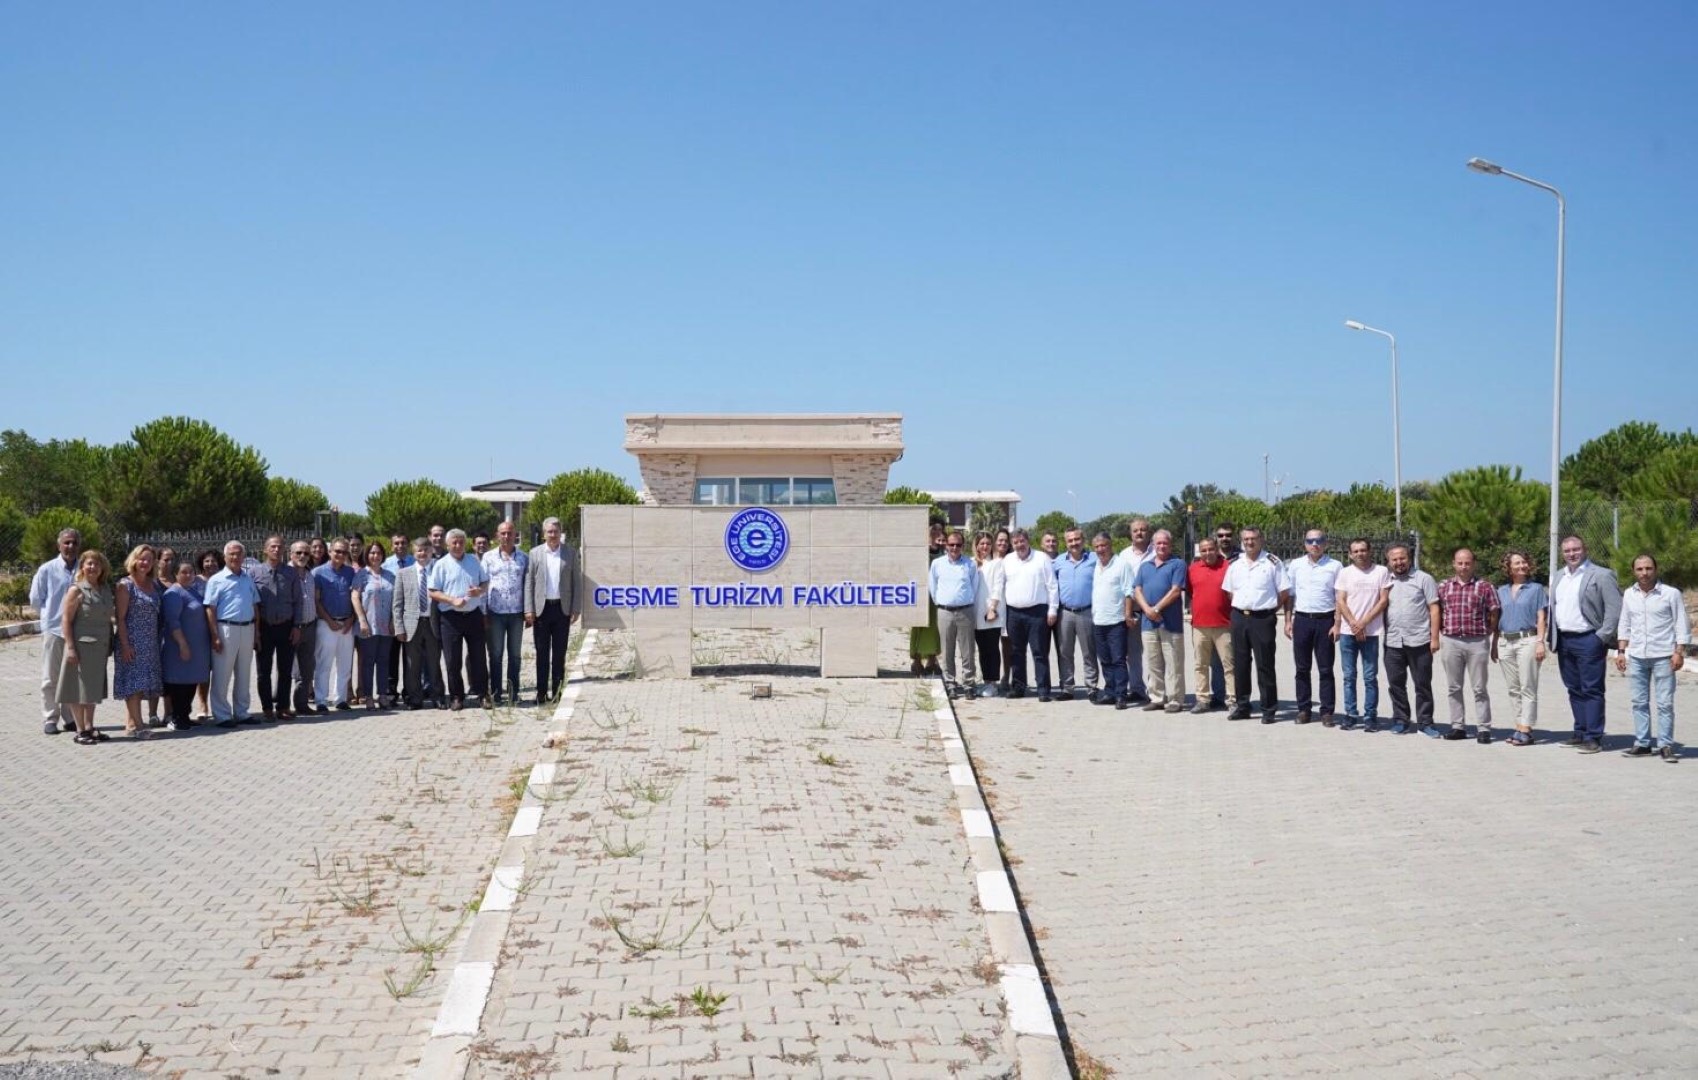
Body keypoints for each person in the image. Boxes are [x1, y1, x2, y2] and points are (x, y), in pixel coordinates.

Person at [1551, 536, 1623, 754]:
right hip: (1565, 640)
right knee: (1574, 688)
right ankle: (1580, 732)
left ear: (1585, 549)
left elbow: (1614, 609)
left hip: (1589, 639)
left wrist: (1601, 637)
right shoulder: (1559, 576)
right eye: (1567, 551)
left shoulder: (1601, 575)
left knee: (1591, 689)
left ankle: (1594, 736)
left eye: (1576, 549)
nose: (1572, 554)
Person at [1617, 553, 1690, 762]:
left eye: (1648, 568)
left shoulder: (1670, 594)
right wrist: (1621, 651)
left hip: (1664, 656)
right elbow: (1624, 622)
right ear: (1634, 571)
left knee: (1664, 703)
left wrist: (1679, 652)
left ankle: (1665, 744)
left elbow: (1680, 624)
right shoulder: (1629, 594)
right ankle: (1642, 743)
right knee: (1639, 701)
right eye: (1639, 569)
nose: (1644, 573)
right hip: (1638, 656)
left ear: (1655, 570)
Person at [1222, 527, 1288, 723]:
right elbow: (1229, 591)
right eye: (1246, 539)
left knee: (1265, 664)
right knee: (1241, 664)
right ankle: (1243, 706)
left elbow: (1283, 592)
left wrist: (1268, 610)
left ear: (1261, 539)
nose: (1250, 542)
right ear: (1241, 541)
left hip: (1263, 619)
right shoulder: (1235, 564)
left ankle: (1269, 709)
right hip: (1240, 617)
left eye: (1253, 538)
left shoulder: (1272, 562)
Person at [1435, 548, 1500, 742]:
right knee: (1454, 687)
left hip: (1476, 642)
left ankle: (1484, 728)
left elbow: (1495, 611)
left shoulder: (1485, 587)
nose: (1464, 567)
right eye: (1460, 563)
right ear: (1454, 564)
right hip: (1451, 641)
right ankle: (1458, 726)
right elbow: (1436, 610)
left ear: (1474, 564)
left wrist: (1489, 630)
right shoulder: (1444, 586)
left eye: (1467, 563)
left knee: (1479, 688)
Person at [57, 549, 115, 745]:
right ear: (82, 566)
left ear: (102, 568)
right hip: (81, 647)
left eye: (96, 564)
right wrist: (70, 647)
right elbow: (65, 620)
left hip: (100, 647)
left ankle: (90, 727)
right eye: (89, 563)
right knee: (78, 689)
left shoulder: (105, 589)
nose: (93, 567)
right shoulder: (76, 590)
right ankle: (80, 730)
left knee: (92, 690)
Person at [429, 528, 491, 710]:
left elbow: (485, 582)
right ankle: (457, 696)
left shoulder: (473, 561)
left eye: (461, 542)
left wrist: (479, 591)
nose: (457, 546)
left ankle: (483, 694)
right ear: (447, 545)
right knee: (452, 660)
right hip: (450, 618)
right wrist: (452, 600)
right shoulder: (441, 564)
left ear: (465, 543)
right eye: (454, 542)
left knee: (479, 658)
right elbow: (433, 591)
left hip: (473, 615)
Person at [1382, 543, 1441, 735]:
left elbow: (1434, 608)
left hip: (1419, 640)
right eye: (1394, 559)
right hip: (1392, 641)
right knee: (1396, 684)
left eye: (1402, 558)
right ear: (1388, 561)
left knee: (1422, 684)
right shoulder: (1385, 581)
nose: (1399, 562)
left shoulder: (1424, 579)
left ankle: (1425, 723)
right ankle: (1401, 719)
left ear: (1409, 558)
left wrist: (1434, 638)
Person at [1490, 549, 1547, 746]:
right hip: (1505, 641)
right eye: (1517, 563)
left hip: (1527, 640)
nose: (1521, 566)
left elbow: (1541, 617)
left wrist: (1540, 641)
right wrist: (1494, 644)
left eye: (1524, 562)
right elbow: (1497, 620)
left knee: (1527, 686)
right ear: (1509, 568)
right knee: (1513, 688)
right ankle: (1518, 725)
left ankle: (1527, 729)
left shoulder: (1536, 589)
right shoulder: (1501, 591)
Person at [1285, 530, 1341, 725]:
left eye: (1319, 541)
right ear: (1305, 543)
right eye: (1310, 541)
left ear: (1325, 543)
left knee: (1326, 669)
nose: (1315, 544)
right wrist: (1287, 620)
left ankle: (1327, 712)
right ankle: (1304, 709)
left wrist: (1337, 623)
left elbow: (1340, 597)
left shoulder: (1335, 566)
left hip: (1325, 621)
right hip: (1302, 620)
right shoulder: (1296, 565)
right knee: (1302, 668)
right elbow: (1290, 595)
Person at [1334, 539, 1391, 731]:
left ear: (1370, 551)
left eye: (1363, 550)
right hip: (1348, 633)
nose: (1360, 553)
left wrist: (1364, 623)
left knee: (1369, 677)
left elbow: (1383, 601)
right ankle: (1350, 714)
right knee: (1349, 676)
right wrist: (1352, 623)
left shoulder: (1381, 571)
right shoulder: (1344, 573)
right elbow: (1341, 600)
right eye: (1356, 551)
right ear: (1350, 554)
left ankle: (1370, 716)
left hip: (1371, 632)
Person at [203, 540, 261, 725]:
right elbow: (210, 609)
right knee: (222, 673)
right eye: (232, 554)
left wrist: (256, 633)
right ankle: (222, 715)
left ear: (244, 556)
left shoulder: (248, 578)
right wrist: (215, 636)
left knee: (244, 674)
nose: (236, 557)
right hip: (226, 628)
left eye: (239, 554)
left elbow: (255, 605)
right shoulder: (216, 580)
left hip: (247, 628)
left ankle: (242, 712)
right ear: (225, 556)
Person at [29, 527, 81, 735]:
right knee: (50, 677)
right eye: (66, 542)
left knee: (72, 678)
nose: (70, 546)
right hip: (54, 630)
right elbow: (35, 600)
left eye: (74, 543)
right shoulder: (47, 570)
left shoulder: (85, 569)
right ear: (59, 545)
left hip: (79, 630)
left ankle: (71, 718)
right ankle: (50, 718)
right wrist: (49, 617)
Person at [524, 517, 579, 705]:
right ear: (544, 533)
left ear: (560, 532)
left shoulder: (570, 553)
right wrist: (529, 609)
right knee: (541, 653)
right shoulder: (535, 553)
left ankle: (557, 692)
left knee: (559, 653)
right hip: (541, 610)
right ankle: (540, 693)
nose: (553, 535)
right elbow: (529, 582)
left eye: (555, 531)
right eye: (549, 531)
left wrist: (576, 608)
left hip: (562, 610)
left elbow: (576, 582)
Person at [1133, 529, 1188, 713]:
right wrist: (1147, 610)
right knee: (1153, 662)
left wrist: (1156, 609)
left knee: (1173, 663)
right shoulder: (1145, 566)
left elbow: (1175, 590)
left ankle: (1174, 699)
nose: (1162, 546)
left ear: (1170, 545)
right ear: (1153, 546)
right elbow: (1137, 590)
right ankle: (1156, 697)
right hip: (1148, 623)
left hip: (1170, 623)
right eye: (1158, 543)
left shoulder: (1177, 564)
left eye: (1165, 543)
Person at [1000, 529, 1059, 701]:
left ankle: (1043, 689)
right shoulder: (1008, 560)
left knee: (1039, 652)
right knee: (1016, 652)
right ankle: (1018, 687)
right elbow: (1001, 585)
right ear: (1013, 544)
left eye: (1022, 541)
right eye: (1016, 542)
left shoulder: (1042, 558)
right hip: (1014, 612)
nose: (1019, 545)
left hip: (1037, 612)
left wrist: (1052, 609)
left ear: (1028, 541)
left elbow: (1052, 585)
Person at [113, 545, 164, 738]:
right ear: (134, 560)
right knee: (133, 685)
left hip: (149, 643)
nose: (145, 563)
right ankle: (139, 726)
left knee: (141, 685)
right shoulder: (125, 585)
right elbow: (121, 618)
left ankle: (130, 725)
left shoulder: (153, 585)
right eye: (142, 559)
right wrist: (125, 645)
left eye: (149, 560)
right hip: (132, 642)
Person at [247, 534, 299, 720]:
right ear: (265, 549)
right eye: (273, 547)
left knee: (285, 670)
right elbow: (251, 603)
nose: (276, 550)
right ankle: (267, 707)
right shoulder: (254, 573)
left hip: (286, 627)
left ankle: (283, 706)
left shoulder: (291, 573)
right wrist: (255, 632)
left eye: (279, 547)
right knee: (263, 671)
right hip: (265, 628)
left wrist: (296, 627)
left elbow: (298, 602)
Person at [1186, 536, 1235, 716]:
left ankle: (1232, 699)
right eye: (1203, 550)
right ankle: (1202, 699)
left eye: (1210, 549)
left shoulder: (1228, 567)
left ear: (1216, 549)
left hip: (1224, 624)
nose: (1207, 553)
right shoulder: (1192, 569)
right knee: (1201, 665)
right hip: (1199, 625)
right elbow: (1191, 593)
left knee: (1229, 665)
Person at [481, 521, 529, 705]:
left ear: (515, 534)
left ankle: (513, 693)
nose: (506, 536)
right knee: (496, 655)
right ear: (497, 535)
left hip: (517, 613)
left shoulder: (524, 558)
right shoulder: (488, 558)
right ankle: (495, 694)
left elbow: (528, 586)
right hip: (495, 613)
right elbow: (483, 586)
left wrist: (528, 611)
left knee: (515, 655)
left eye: (510, 533)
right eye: (503, 533)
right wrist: (484, 613)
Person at [394, 537, 444, 710]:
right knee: (412, 664)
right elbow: (397, 603)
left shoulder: (439, 570)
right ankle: (415, 698)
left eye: (426, 550)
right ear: (413, 553)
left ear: (431, 551)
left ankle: (438, 696)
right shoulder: (403, 573)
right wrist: (399, 627)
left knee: (434, 662)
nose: (422, 554)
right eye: (419, 551)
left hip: (433, 623)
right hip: (411, 625)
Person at [161, 558, 211, 731]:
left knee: (191, 682)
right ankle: (176, 717)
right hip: (180, 647)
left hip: (197, 647)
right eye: (183, 572)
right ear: (175, 574)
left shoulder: (194, 591)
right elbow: (173, 622)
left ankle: (185, 715)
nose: (188, 575)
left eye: (191, 572)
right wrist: (182, 644)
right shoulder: (173, 594)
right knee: (179, 683)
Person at [928, 529, 979, 699]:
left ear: (963, 546)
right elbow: (932, 587)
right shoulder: (937, 564)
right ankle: (950, 683)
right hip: (945, 612)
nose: (954, 548)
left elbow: (975, 586)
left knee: (968, 651)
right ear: (946, 546)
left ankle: (969, 684)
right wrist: (941, 602)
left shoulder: (970, 564)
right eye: (951, 544)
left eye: (958, 545)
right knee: (947, 650)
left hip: (965, 611)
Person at [312, 539, 359, 712]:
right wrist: (329, 620)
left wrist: (351, 619)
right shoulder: (318, 573)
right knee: (324, 663)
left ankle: (340, 699)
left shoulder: (351, 573)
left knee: (345, 664)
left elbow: (356, 597)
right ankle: (321, 700)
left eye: (344, 552)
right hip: (327, 624)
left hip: (347, 624)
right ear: (330, 551)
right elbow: (316, 601)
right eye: (337, 551)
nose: (340, 555)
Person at [1088, 532, 1134, 707]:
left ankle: (1121, 695)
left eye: (1103, 545)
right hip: (1098, 620)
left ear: (1110, 545)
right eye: (1097, 547)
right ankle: (1109, 692)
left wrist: (1128, 615)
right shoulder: (1096, 565)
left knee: (1118, 659)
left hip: (1116, 621)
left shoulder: (1122, 565)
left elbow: (1128, 591)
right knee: (1105, 660)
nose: (1100, 549)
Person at [1052, 528, 1098, 699]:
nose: (1074, 543)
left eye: (1077, 539)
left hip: (1086, 611)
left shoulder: (1094, 559)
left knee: (1089, 652)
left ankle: (1092, 687)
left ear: (1083, 540)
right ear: (1066, 543)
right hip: (1065, 613)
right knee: (1065, 652)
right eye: (1070, 540)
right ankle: (1067, 687)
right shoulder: (1058, 561)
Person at [352, 541, 397, 710]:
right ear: (367, 555)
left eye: (378, 553)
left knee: (384, 661)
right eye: (372, 553)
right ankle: (368, 696)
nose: (375, 556)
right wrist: (362, 620)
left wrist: (394, 620)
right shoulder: (361, 575)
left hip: (387, 625)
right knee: (368, 661)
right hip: (368, 625)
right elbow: (355, 597)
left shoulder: (390, 576)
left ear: (382, 555)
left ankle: (383, 695)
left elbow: (396, 600)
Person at [1118, 519, 1156, 704]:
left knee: (1154, 653)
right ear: (1130, 533)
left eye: (1143, 530)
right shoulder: (1123, 555)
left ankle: (1156, 690)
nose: (1139, 533)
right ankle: (1136, 689)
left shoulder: (1158, 552)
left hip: (1154, 612)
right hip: (1133, 612)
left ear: (1149, 532)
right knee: (1133, 654)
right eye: (1135, 530)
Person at [289, 540, 321, 716]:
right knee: (286, 669)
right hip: (292, 627)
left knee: (307, 668)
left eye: (306, 553)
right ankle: (283, 706)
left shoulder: (310, 575)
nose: (302, 556)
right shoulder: (285, 573)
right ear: (291, 554)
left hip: (310, 626)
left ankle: (301, 704)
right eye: (298, 553)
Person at [1207, 522, 1237, 706]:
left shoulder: (1241, 558)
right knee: (1215, 660)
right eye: (1220, 535)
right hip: (1215, 617)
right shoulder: (1208, 556)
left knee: (1234, 659)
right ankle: (1218, 695)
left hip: (1236, 616)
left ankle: (1236, 696)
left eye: (1228, 535)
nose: (1224, 538)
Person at [909, 522, 945, 676]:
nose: (937, 532)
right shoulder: (920, 550)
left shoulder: (944, 552)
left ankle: (932, 660)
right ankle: (916, 661)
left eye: (940, 529)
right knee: (918, 627)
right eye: (933, 529)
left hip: (937, 596)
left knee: (935, 629)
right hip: (920, 594)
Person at [971, 532, 1005, 691]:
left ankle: (993, 683)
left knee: (992, 649)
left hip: (990, 613)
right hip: (975, 614)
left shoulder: (997, 563)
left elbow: (998, 587)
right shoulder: (972, 563)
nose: (985, 546)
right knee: (982, 650)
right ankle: (985, 681)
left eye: (988, 544)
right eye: (982, 543)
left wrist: (992, 609)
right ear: (976, 545)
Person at [992, 527, 1014, 691]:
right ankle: (991, 676)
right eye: (1000, 540)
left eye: (1006, 540)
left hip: (1008, 606)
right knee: (991, 645)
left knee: (1007, 644)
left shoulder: (1013, 559)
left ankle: (1007, 675)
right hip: (990, 606)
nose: (1003, 543)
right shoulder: (987, 558)